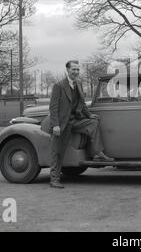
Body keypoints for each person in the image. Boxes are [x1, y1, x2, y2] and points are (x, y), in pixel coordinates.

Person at [49, 60, 114, 188]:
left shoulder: (78, 83)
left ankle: (98, 153)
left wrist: (89, 115)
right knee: (57, 151)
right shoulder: (59, 85)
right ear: (67, 70)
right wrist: (55, 125)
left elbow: (82, 103)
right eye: (73, 69)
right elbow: (53, 107)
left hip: (76, 120)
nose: (76, 72)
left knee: (93, 123)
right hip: (63, 123)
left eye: (78, 69)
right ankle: (54, 179)